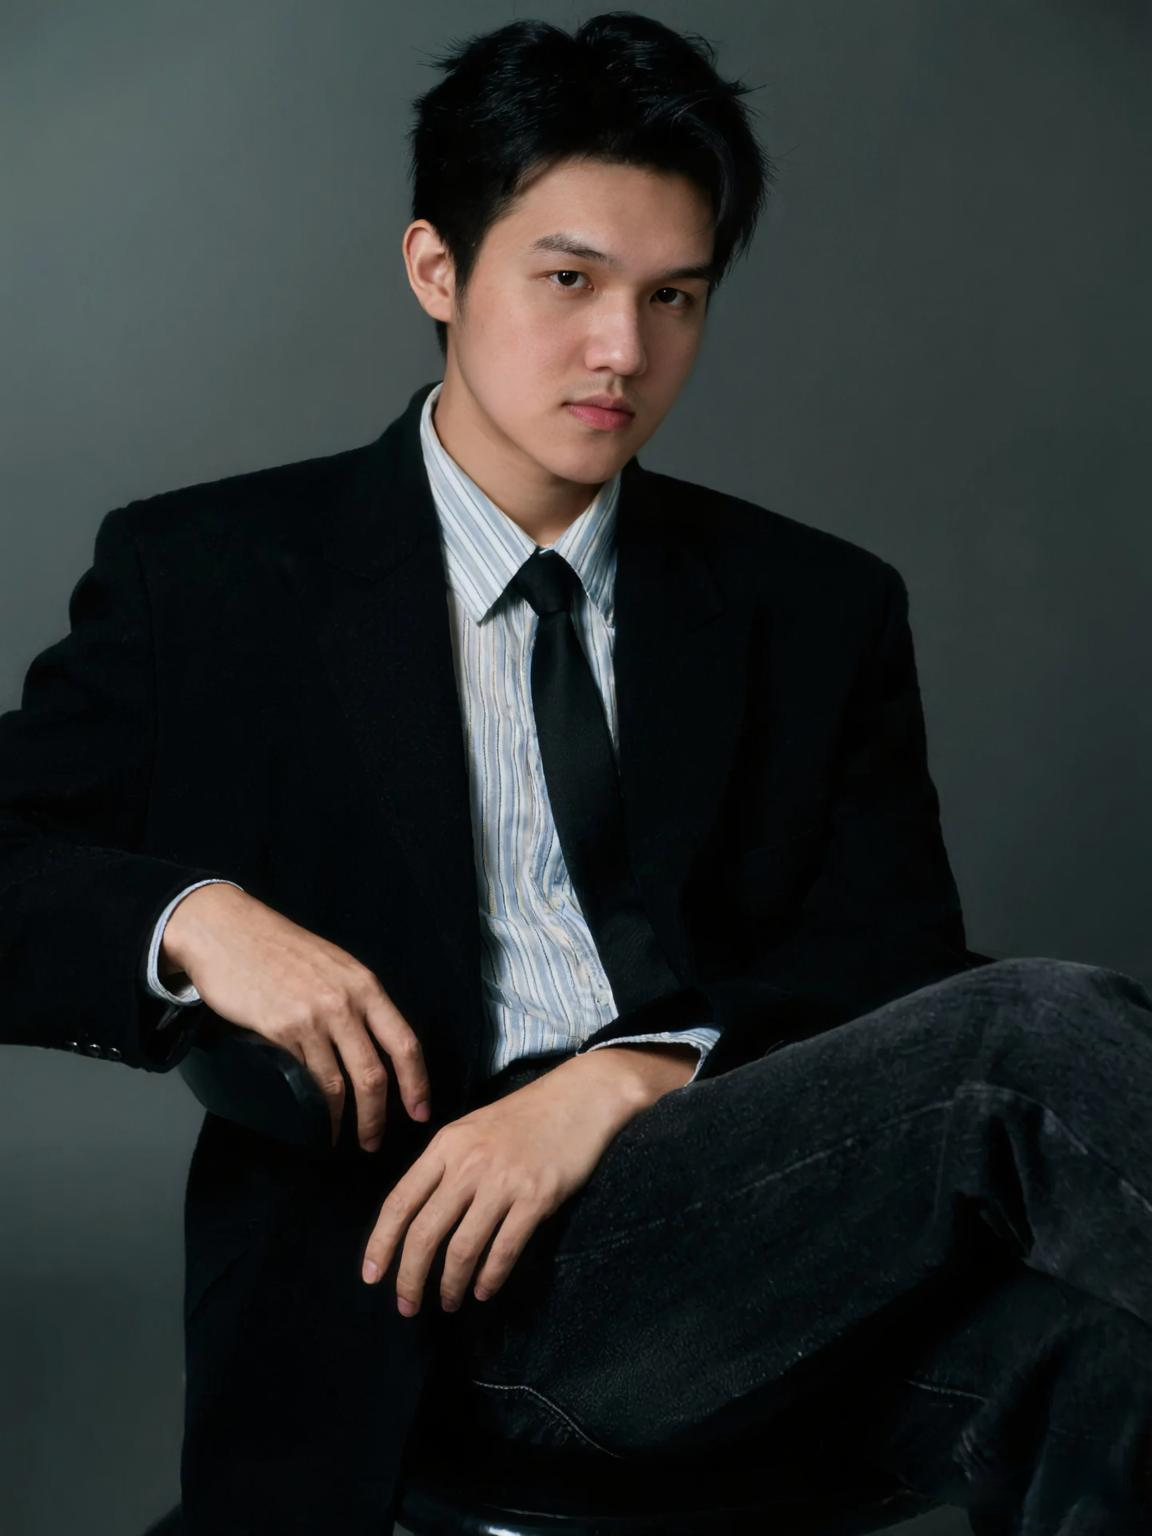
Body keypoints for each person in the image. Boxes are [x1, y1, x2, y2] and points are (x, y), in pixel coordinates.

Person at [3, 12, 1151, 1534]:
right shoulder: (212, 572)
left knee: (1109, 1352)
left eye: (674, 298)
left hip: (759, 1240)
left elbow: (891, 961)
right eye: (571, 282)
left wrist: (631, 1071)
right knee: (1031, 1032)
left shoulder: (813, 604)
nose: (626, 350)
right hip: (423, 1289)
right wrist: (198, 916)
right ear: (436, 270)